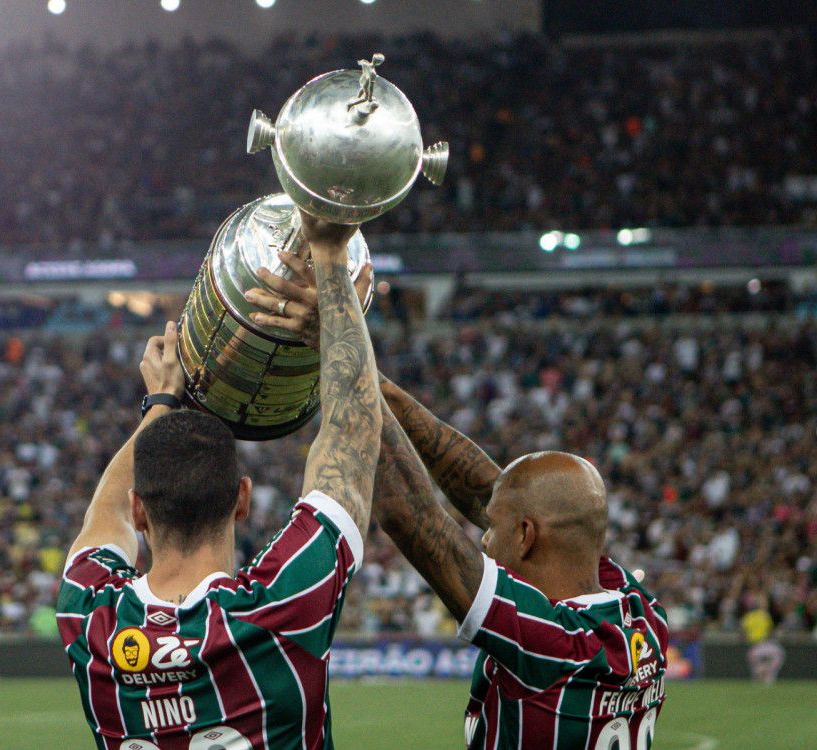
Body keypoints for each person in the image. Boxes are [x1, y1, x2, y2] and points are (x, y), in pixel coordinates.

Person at [248, 254, 670, 749]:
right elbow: (498, 493)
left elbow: (416, 518)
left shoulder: (549, 646)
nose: (483, 537)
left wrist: (334, 347)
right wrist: (367, 376)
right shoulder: (640, 615)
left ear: (527, 537)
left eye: (490, 528)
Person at [56, 212, 381, 749]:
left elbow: (102, 516)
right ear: (242, 500)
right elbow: (352, 436)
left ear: (141, 513)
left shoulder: (92, 619)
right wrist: (328, 265)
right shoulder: (278, 607)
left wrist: (163, 400)